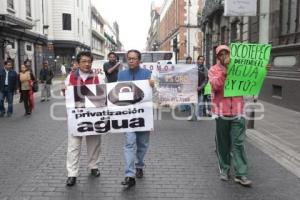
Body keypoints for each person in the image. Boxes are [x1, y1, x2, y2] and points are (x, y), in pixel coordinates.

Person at [208, 45, 254, 187]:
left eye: (226, 53)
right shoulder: (213, 70)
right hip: (222, 112)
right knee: (223, 143)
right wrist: (225, 72)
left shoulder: (239, 68)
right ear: (217, 57)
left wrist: (261, 71)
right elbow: (215, 86)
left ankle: (241, 173)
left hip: (238, 111)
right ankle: (225, 169)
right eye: (221, 54)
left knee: (238, 143)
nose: (224, 56)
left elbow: (250, 79)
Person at [118, 49, 154, 188]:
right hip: (127, 116)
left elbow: (155, 93)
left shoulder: (147, 74)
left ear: (139, 60)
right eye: (129, 58)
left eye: (134, 58)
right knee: (129, 143)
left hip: (144, 116)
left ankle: (139, 165)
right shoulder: (121, 75)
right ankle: (129, 175)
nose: (131, 61)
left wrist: (153, 85)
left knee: (142, 143)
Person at [65, 51, 102, 187]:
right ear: (78, 63)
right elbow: (66, 95)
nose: (87, 64)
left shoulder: (97, 77)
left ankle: (94, 166)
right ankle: (72, 174)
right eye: (84, 61)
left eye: (89, 61)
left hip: (93, 115)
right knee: (74, 145)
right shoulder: (70, 77)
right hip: (76, 116)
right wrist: (64, 90)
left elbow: (102, 95)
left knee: (94, 143)